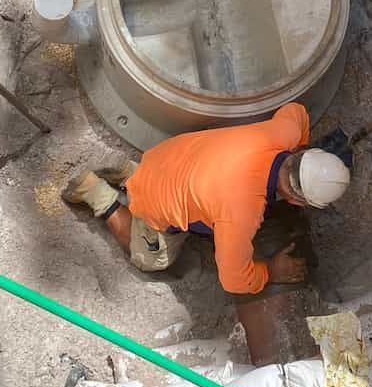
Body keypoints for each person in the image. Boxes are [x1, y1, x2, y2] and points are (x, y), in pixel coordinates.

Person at [61, 103, 350, 295]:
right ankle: (97, 192)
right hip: (157, 202)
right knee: (152, 258)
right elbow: (235, 280)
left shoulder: (285, 132)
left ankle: (127, 170)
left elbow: (296, 110)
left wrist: (301, 145)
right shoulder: (240, 213)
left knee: (176, 181)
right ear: (299, 202)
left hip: (168, 157)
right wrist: (270, 271)